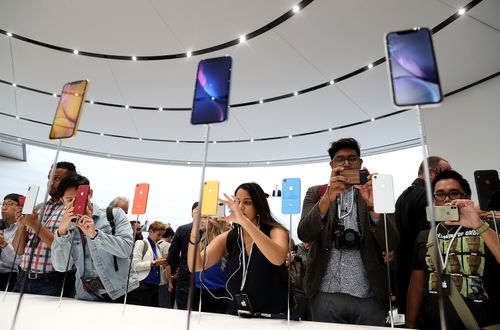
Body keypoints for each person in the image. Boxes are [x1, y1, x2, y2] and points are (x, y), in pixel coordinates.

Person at [297, 138, 399, 326]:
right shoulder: (317, 193)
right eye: (340, 159)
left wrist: (373, 205)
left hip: (368, 293)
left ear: (360, 163)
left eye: (352, 158)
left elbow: (391, 242)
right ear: (331, 164)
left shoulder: (378, 191)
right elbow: (304, 234)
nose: (346, 163)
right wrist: (328, 197)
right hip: (324, 291)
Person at [406, 170, 500, 329]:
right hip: (436, 323)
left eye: (454, 193)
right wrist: (410, 322)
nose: (447, 199)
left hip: (484, 323)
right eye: (440, 194)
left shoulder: (489, 228)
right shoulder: (425, 236)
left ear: (467, 197)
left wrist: (478, 224)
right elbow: (417, 282)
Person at [188, 182, 290, 316]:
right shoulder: (230, 236)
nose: (240, 207)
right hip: (237, 313)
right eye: (237, 202)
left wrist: (244, 222)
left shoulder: (275, 230)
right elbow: (196, 265)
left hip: (273, 315)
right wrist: (195, 229)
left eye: (247, 202)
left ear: (259, 205)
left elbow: (278, 258)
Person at [51, 174, 140, 302]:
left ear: (90, 193)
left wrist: (95, 235)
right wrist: (62, 231)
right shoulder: (66, 227)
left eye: (80, 199)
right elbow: (61, 267)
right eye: (70, 200)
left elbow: (126, 249)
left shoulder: (114, 215)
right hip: (86, 295)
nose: (76, 205)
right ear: (61, 200)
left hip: (122, 291)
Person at [395, 156, 451, 315]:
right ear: (432, 173)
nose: (450, 179)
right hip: (422, 278)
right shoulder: (428, 196)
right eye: (447, 173)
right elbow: (431, 240)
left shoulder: (403, 196)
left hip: (405, 272)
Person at [13, 161, 77, 297]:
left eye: (57, 178)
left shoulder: (71, 211)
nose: (51, 183)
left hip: (52, 280)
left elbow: (63, 249)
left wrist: (35, 224)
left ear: (70, 182)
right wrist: (22, 224)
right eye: (50, 178)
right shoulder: (38, 208)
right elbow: (19, 250)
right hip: (22, 276)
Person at [191, 211, 229, 314]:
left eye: (205, 217)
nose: (201, 220)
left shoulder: (226, 238)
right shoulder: (200, 238)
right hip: (200, 288)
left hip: (220, 290)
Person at [168, 202, 198, 310]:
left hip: (185, 274)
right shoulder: (212, 230)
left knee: (183, 310)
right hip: (205, 277)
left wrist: (179, 267)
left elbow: (172, 256)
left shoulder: (182, 229)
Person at [132, 221, 167, 307]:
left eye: (161, 235)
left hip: (155, 285)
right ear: (151, 231)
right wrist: (154, 262)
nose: (160, 238)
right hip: (143, 285)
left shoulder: (157, 246)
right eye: (158, 234)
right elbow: (135, 265)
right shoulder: (141, 243)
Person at [0, 194, 23, 291]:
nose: (4, 208)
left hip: (9, 278)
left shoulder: (22, 230)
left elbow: (19, 261)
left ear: (20, 208)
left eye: (9, 204)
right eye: (3, 204)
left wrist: (4, 244)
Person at [290, 241, 312, 321]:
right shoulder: (295, 248)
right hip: (297, 293)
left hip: (313, 293)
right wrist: (288, 260)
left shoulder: (317, 249)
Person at [158, 226, 175, 308]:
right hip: (163, 280)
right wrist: (170, 282)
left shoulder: (156, 243)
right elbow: (166, 264)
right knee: (165, 305)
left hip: (157, 279)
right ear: (170, 237)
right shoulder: (167, 245)